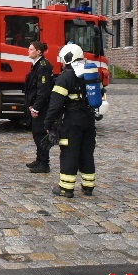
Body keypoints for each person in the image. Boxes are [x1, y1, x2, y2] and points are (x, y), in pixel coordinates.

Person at [44, 43, 96, 197]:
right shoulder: (90, 73)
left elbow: (55, 104)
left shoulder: (65, 77)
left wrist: (48, 123)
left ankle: (66, 188)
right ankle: (88, 187)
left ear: (68, 58)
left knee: (69, 153)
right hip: (89, 120)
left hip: (72, 122)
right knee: (87, 152)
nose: (61, 62)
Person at [24, 41, 54, 173]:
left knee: (40, 134)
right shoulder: (36, 65)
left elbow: (43, 90)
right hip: (36, 104)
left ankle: (44, 163)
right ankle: (39, 159)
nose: (28, 51)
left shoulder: (43, 66)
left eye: (31, 49)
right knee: (36, 133)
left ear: (39, 52)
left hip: (42, 107)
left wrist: (36, 108)